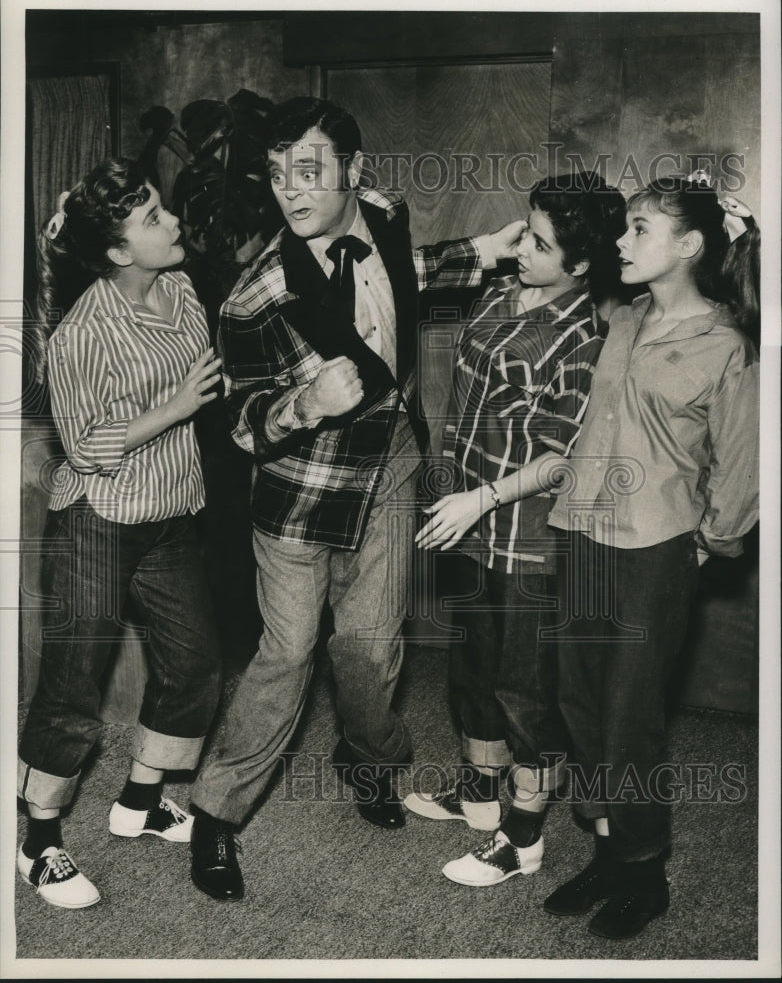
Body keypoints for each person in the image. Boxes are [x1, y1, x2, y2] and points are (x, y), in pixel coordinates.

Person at [187, 96, 524, 902]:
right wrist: (302, 405)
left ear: (353, 173)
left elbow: (407, 274)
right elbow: (237, 423)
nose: (291, 193)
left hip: (393, 466)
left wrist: (483, 249)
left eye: (308, 173)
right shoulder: (254, 297)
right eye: (276, 177)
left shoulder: (384, 211)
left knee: (370, 650)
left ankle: (371, 766)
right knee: (289, 653)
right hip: (302, 493)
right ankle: (215, 817)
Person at [543, 174, 760, 939]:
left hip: (654, 548)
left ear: (690, 247)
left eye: (639, 229)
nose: (622, 241)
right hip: (582, 531)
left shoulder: (726, 343)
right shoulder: (624, 317)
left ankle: (644, 872)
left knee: (631, 714)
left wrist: (709, 541)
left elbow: (740, 464)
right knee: (579, 701)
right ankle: (605, 849)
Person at [403, 172, 627, 887]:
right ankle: (478, 798)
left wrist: (480, 499)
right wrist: (458, 498)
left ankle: (523, 838)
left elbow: (561, 457)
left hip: (526, 537)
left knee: (525, 690)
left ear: (582, 263)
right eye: (525, 230)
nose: (521, 247)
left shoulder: (583, 336)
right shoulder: (502, 291)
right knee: (472, 673)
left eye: (539, 242)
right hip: (468, 523)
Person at [17, 158, 223, 909]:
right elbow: (79, 443)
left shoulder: (183, 287)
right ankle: (39, 839)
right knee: (74, 686)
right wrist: (172, 408)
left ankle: (140, 799)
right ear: (115, 252)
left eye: (163, 211)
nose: (172, 223)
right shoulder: (81, 333)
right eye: (152, 219)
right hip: (96, 523)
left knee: (198, 667)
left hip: (171, 515)